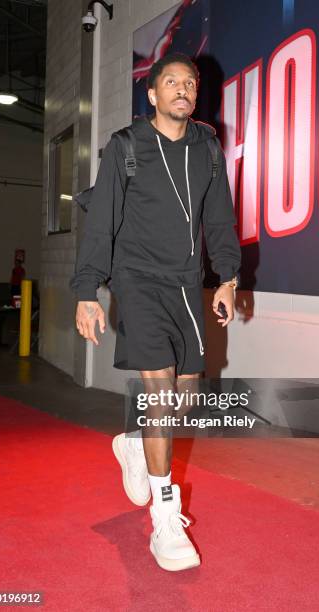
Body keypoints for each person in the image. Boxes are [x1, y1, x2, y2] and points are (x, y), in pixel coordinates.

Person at [69, 52, 241, 572]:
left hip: (187, 285)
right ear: (153, 93)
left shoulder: (207, 149)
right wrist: (87, 290)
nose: (183, 90)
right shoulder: (126, 146)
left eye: (190, 83)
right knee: (160, 392)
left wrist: (229, 279)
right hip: (137, 281)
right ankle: (166, 520)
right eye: (172, 82)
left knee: (185, 399)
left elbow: (220, 220)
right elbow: (100, 223)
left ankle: (134, 443)